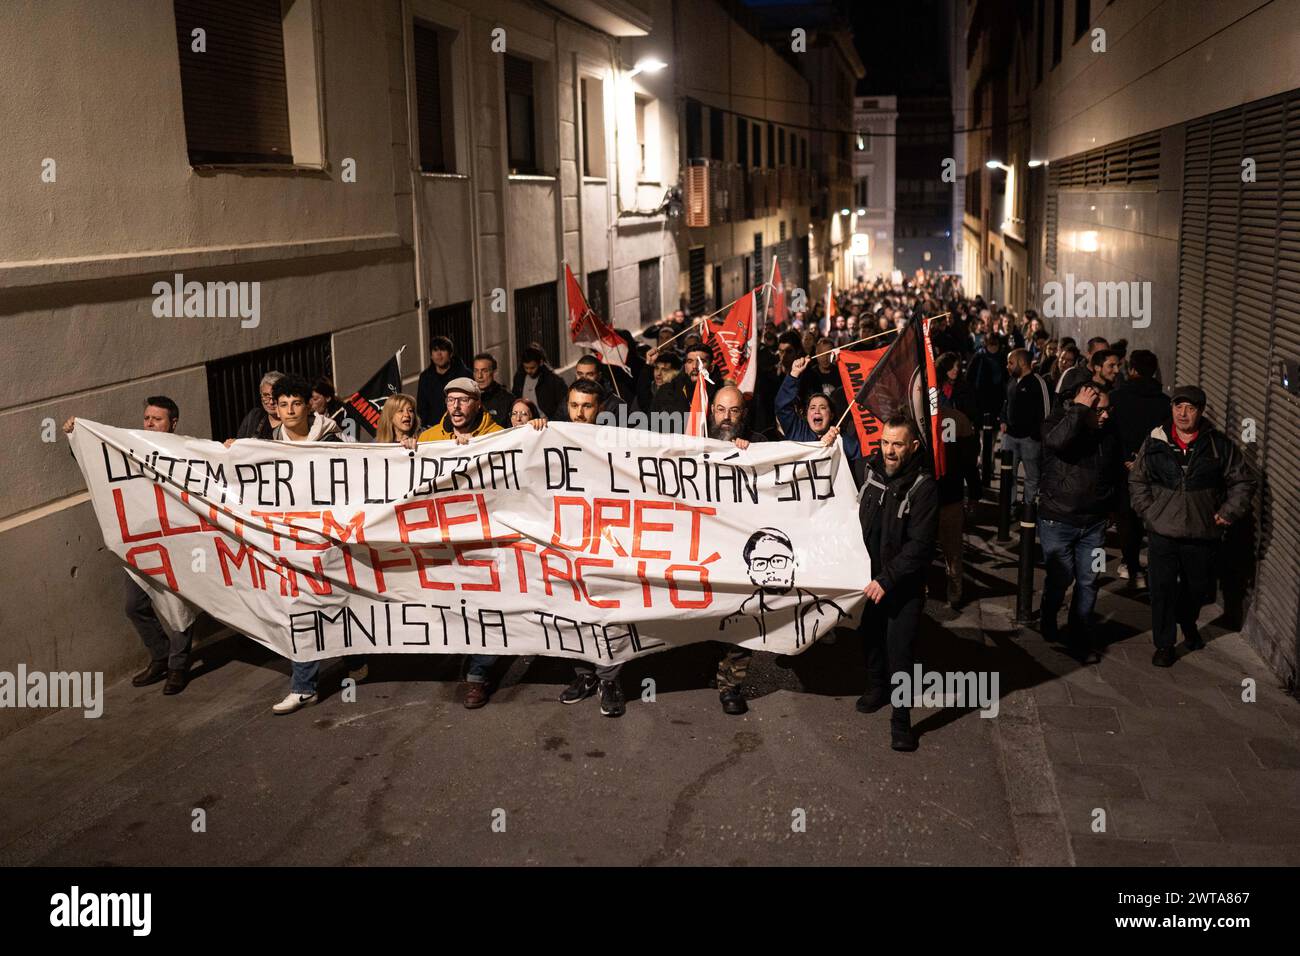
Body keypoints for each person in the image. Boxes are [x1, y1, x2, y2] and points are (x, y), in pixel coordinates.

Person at [64, 397, 196, 696]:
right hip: (141, 541)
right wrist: (76, 435)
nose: (149, 423)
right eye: (147, 418)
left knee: (178, 605)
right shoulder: (131, 446)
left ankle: (178, 666)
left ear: (173, 423)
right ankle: (161, 656)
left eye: (157, 419)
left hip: (178, 540)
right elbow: (100, 462)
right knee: (134, 605)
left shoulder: (186, 450)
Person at [1129, 385, 1255, 667]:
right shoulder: (1155, 440)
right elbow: (1138, 479)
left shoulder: (1218, 444)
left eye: (1190, 408)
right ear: (1171, 408)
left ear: (1200, 412)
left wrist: (1228, 512)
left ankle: (1187, 621)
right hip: (1162, 529)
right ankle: (1164, 645)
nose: (1183, 413)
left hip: (1201, 531)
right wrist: (1148, 510)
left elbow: (1243, 482)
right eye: (1178, 407)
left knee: (1198, 587)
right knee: (1161, 588)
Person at [528, 386, 628, 717]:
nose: (579, 413)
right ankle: (583, 675)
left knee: (606, 612)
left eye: (586, 406)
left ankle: (609, 679)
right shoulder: (548, 436)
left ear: (599, 408)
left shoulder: (613, 443)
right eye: (573, 405)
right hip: (564, 542)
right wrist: (532, 432)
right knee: (570, 611)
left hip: (603, 541)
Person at [260, 374, 354, 714]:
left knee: (339, 601)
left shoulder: (331, 437)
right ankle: (304, 686)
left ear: (308, 405)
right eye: (282, 404)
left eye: (296, 403)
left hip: (330, 537)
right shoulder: (267, 441)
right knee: (298, 609)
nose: (289, 410)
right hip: (291, 539)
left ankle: (353, 654)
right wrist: (231, 450)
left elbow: (361, 473)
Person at [414, 377, 505, 703]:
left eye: (463, 400)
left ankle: (478, 675)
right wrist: (408, 451)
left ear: (478, 404)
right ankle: (467, 655)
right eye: (450, 399)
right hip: (443, 540)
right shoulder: (429, 438)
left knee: (485, 605)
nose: (455, 406)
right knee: (454, 606)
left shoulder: (498, 438)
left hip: (483, 540)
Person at [853, 414, 939, 753]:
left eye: (897, 444)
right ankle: (877, 689)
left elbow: (920, 547)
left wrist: (887, 579)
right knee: (869, 638)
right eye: (885, 442)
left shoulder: (924, 487)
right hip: (868, 581)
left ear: (913, 446)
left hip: (902, 587)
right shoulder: (869, 471)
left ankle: (901, 720)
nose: (889, 450)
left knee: (900, 652)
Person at [1036, 385, 1122, 663]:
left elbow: (1114, 471)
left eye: (1108, 409)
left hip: (1095, 524)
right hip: (1057, 519)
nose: (1105, 416)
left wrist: (1111, 506)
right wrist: (1079, 410)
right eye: (1099, 410)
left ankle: (1079, 632)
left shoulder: (1108, 433)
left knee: (1089, 579)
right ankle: (1048, 617)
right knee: (1061, 578)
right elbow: (1057, 442)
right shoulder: (1056, 423)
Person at [709, 386, 767, 715]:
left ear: (742, 414)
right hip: (701, 550)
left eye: (733, 411)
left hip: (740, 552)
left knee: (741, 617)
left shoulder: (758, 445)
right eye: (720, 410)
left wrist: (750, 455)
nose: (727, 417)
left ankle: (731, 684)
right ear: (711, 412)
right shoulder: (691, 442)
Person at [1108, 350, 1170, 584]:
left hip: (1123, 465)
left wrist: (1126, 458)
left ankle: (1130, 563)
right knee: (1150, 514)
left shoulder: (1116, 397)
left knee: (1127, 516)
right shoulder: (1164, 403)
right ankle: (1152, 565)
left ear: (1132, 370)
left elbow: (1111, 433)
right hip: (1153, 466)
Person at [776, 356, 861, 458]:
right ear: (806, 415)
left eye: (823, 407)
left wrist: (837, 443)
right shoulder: (798, 431)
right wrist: (794, 374)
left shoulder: (839, 438)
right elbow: (782, 406)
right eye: (812, 408)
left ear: (831, 415)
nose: (817, 411)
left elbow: (860, 454)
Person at [1000, 348, 1053, 508]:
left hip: (1030, 440)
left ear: (1022, 363)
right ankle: (1009, 506)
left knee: (1032, 476)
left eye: (1010, 362)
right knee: (1009, 474)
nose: (1007, 366)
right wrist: (1003, 420)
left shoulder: (1038, 382)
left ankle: (1028, 507)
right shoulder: (1011, 380)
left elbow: (1046, 412)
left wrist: (1036, 436)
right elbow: (1006, 403)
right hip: (1009, 437)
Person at [416, 335, 471, 427]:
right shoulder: (425, 377)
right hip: (433, 428)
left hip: (460, 426)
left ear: (450, 354)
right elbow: (421, 407)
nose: (439, 354)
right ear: (431, 355)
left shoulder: (465, 375)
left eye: (443, 350)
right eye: (435, 350)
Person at [512, 345, 567, 420]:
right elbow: (515, 399)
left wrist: (552, 420)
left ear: (540, 363)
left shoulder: (554, 381)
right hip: (524, 422)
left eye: (532, 368)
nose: (529, 371)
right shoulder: (519, 378)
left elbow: (563, 406)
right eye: (526, 368)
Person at [471, 352, 515, 428]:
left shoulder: (507, 399)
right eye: (476, 371)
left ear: (494, 372)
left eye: (484, 371)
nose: (479, 376)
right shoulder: (468, 397)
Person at [235, 371, 283, 439]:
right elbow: (240, 441)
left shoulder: (292, 421)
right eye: (266, 395)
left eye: (276, 396)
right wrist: (234, 443)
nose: (271, 402)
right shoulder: (254, 416)